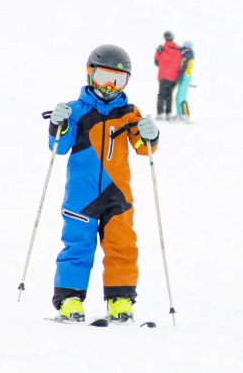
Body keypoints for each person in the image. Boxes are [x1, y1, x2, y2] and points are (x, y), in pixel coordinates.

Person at [47, 44, 160, 323]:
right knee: (77, 245)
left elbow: (143, 148)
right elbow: (59, 147)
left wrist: (150, 134)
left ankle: (120, 300)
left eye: (118, 80)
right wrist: (58, 124)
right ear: (89, 74)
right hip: (81, 197)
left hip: (117, 196)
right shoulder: (76, 111)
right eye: (103, 77)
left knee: (122, 246)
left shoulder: (129, 112)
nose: (109, 86)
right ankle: (70, 299)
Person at [153, 31, 182, 120]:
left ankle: (160, 113)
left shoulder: (162, 48)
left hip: (164, 76)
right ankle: (168, 113)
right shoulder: (178, 49)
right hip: (174, 77)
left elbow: (156, 61)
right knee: (169, 95)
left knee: (161, 95)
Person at [175, 40, 194, 122]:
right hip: (183, 76)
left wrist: (180, 76)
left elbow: (184, 66)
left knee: (182, 97)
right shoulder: (185, 53)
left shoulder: (188, 53)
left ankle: (186, 115)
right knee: (178, 96)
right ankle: (179, 114)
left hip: (186, 76)